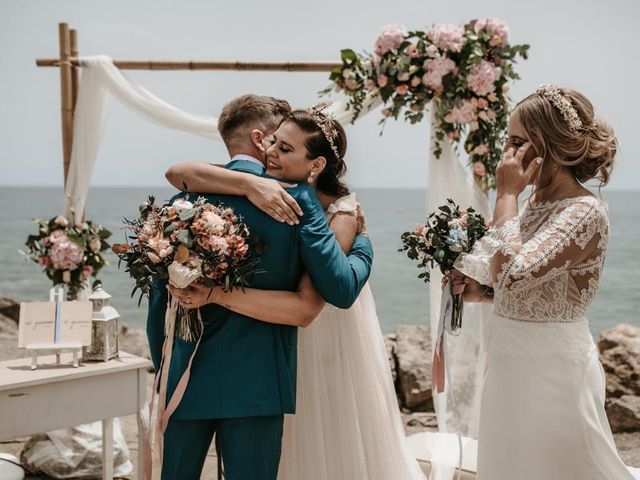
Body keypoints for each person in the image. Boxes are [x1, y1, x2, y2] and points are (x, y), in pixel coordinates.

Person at [167, 105, 427, 479]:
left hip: (321, 339)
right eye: (274, 141)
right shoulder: (275, 190)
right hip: (275, 346)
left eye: (285, 148)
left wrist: (364, 243)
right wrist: (250, 183)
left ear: (316, 164)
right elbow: (178, 173)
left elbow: (338, 287)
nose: (271, 151)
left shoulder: (330, 208)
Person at [452, 85, 640, 479]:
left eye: (517, 142)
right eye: (507, 140)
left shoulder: (585, 212)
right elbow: (529, 286)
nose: (507, 154)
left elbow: (511, 272)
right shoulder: (534, 204)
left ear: (550, 145)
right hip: (508, 365)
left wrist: (505, 194)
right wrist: (478, 292)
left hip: (554, 373)